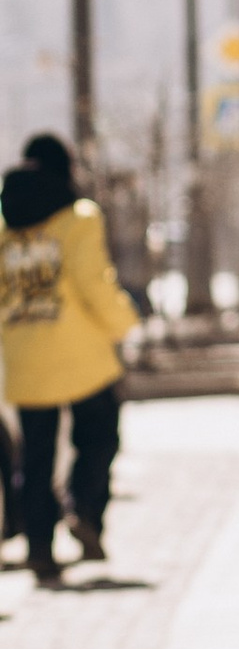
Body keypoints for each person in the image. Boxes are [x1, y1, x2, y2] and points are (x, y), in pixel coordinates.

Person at [0, 130, 136, 588]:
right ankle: (85, 512)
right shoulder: (78, 217)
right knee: (99, 436)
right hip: (82, 356)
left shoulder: (4, 223)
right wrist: (124, 324)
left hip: (23, 359)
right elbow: (93, 283)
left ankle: (40, 547)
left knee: (35, 457)